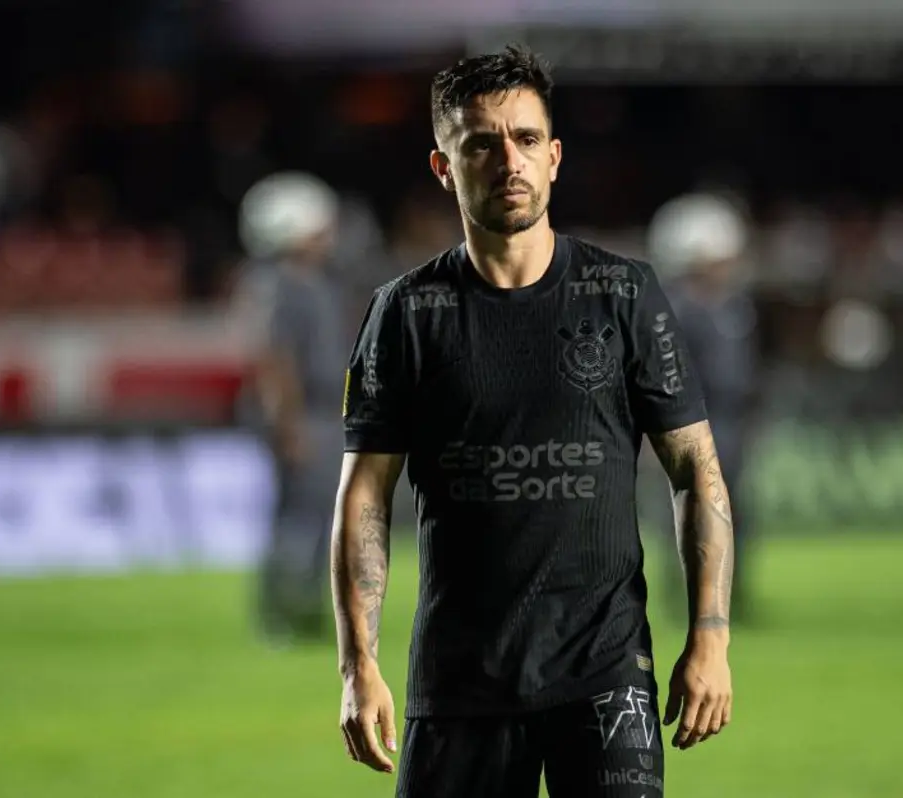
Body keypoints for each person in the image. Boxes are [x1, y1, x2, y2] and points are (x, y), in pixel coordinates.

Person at [332, 45, 736, 797]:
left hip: (607, 675)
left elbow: (695, 471)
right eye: (480, 142)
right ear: (443, 167)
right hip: (459, 684)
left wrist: (709, 636)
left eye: (524, 139)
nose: (506, 160)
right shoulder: (406, 314)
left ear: (554, 157)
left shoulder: (625, 296)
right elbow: (364, 498)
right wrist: (359, 665)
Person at [234, 171, 354, 643]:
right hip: (306, 415)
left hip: (317, 413)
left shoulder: (304, 281)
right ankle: (289, 613)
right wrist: (289, 424)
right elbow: (276, 359)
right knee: (304, 516)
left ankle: (298, 610)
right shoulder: (283, 285)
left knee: (308, 515)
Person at [647, 192, 761, 624]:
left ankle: (733, 596)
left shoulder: (736, 306)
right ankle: (692, 597)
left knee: (735, 513)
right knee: (690, 514)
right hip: (693, 425)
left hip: (732, 422)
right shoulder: (677, 310)